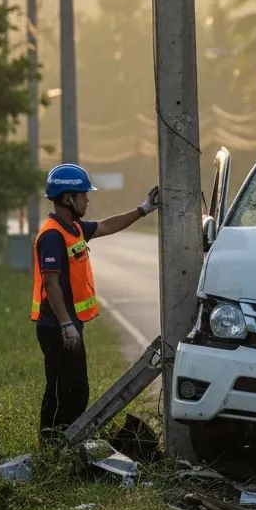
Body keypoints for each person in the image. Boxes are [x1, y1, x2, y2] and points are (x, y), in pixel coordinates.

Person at [31, 164, 160, 441]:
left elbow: (107, 225)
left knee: (77, 389)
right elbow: (51, 284)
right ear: (68, 198)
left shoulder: (73, 228)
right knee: (60, 389)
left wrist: (143, 209)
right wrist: (66, 324)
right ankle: (51, 445)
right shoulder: (53, 235)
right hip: (56, 325)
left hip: (69, 323)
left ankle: (69, 441)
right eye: (83, 195)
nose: (87, 199)